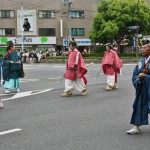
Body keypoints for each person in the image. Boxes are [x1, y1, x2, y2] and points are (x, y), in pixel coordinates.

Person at [126, 40, 150, 134]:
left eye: (145, 48)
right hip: (143, 88)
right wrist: (139, 79)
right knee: (138, 106)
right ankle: (136, 127)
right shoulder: (141, 62)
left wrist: (147, 77)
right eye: (142, 48)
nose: (142, 50)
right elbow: (135, 75)